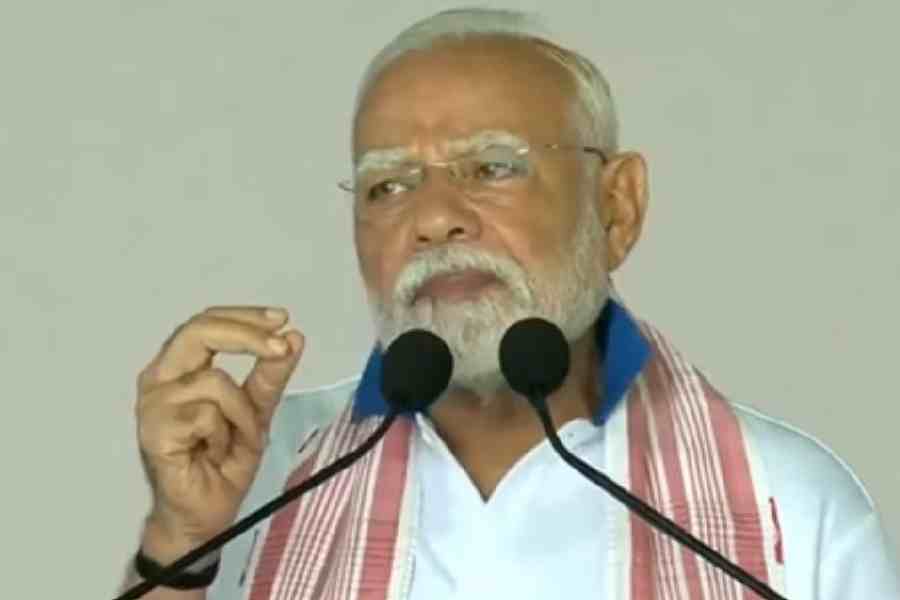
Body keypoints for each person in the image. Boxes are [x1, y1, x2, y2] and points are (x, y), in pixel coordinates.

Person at [118, 8, 900, 600]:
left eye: (492, 167)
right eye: (388, 185)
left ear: (616, 206)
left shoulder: (788, 504)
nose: (433, 218)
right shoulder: (260, 473)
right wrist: (181, 540)